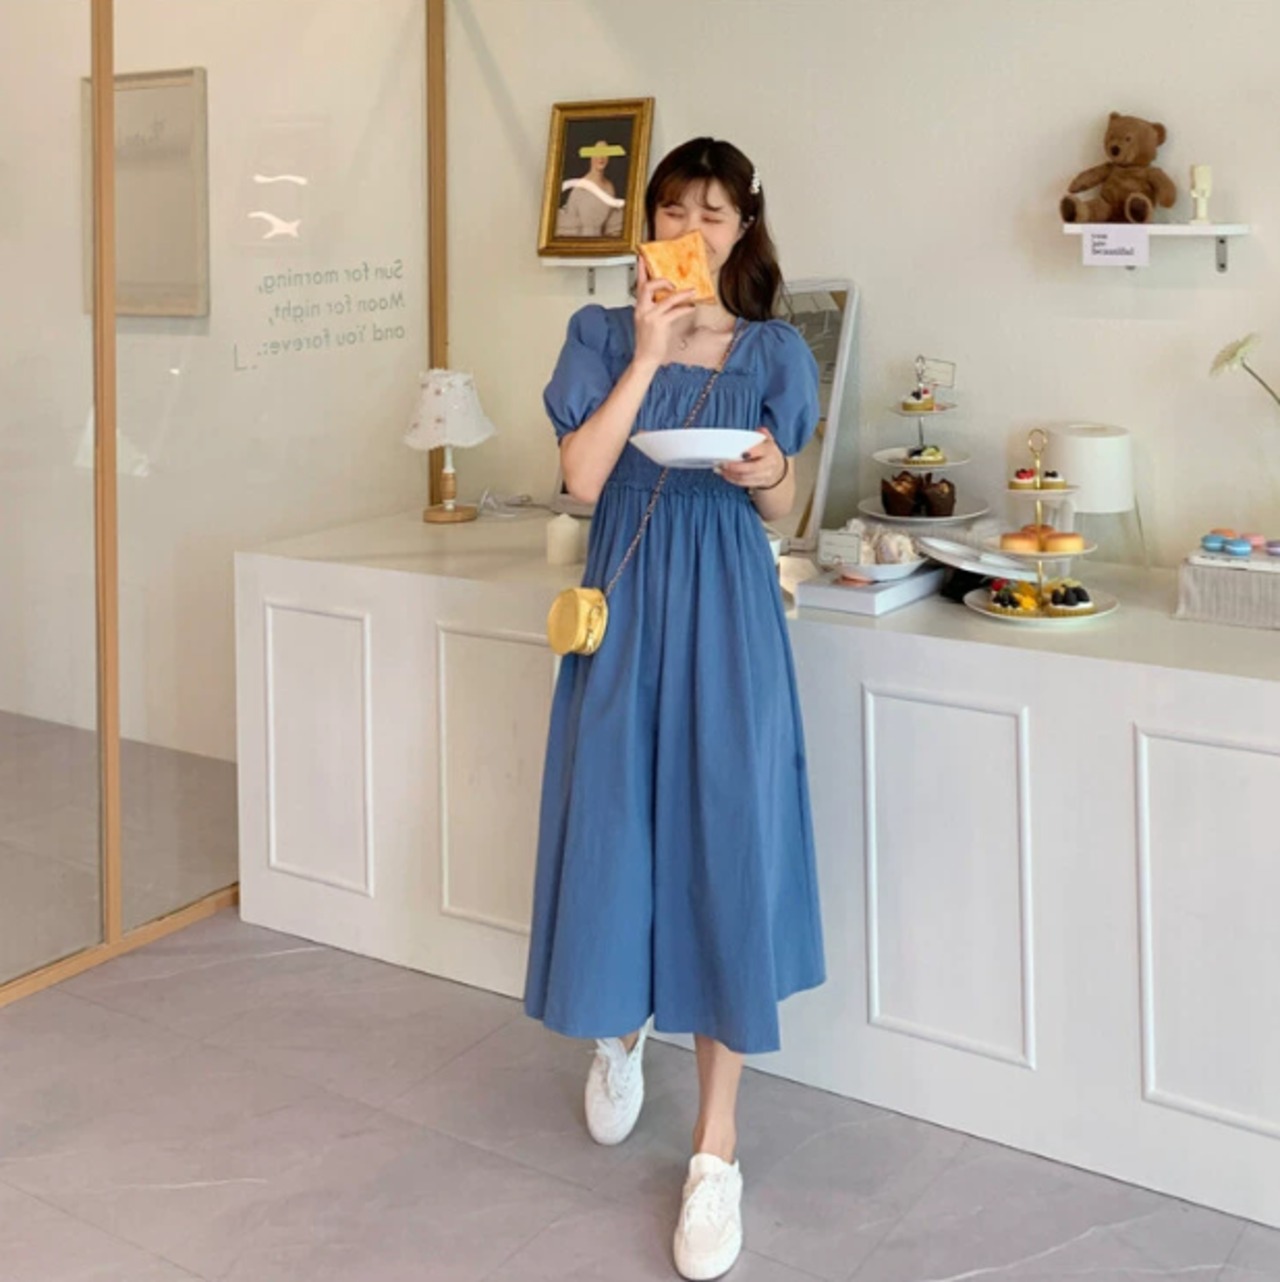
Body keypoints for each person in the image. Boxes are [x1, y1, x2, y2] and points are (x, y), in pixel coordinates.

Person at [525, 137, 825, 1281]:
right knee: (615, 825)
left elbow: (785, 504)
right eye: (670, 211)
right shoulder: (601, 334)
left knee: (722, 843)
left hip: (728, 608)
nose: (689, 231)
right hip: (627, 598)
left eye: (711, 214)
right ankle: (618, 1030)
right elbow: (581, 477)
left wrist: (766, 473)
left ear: (742, 229)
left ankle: (714, 1147)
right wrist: (649, 350)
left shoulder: (771, 349)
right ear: (645, 224)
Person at [555, 139, 626, 238]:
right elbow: (571, 228)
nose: (601, 157)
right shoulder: (580, 189)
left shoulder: (609, 187)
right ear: (590, 156)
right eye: (597, 152)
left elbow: (609, 225)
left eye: (605, 153)